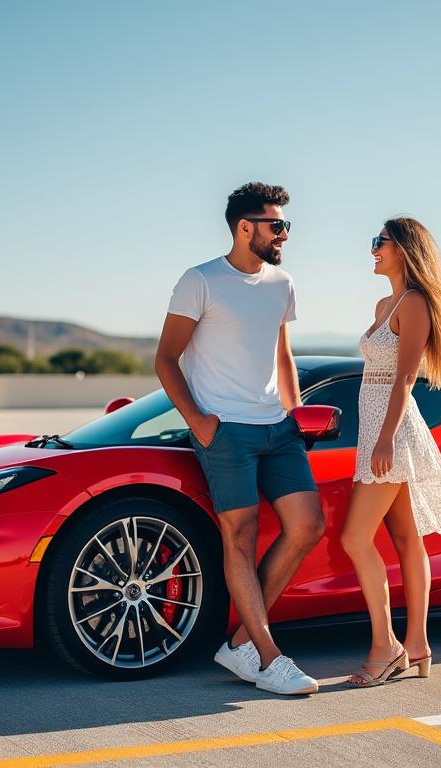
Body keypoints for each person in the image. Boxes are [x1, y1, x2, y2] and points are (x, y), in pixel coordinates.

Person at [154, 182, 325, 696]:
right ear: (244, 226)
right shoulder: (200, 281)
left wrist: (296, 413)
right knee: (241, 538)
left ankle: (240, 644)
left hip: (277, 428)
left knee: (307, 526)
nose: (284, 235)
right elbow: (166, 358)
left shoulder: (282, 283)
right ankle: (270, 657)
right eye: (277, 225)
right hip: (225, 430)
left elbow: (283, 355)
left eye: (286, 225)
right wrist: (200, 422)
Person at [340, 216, 441, 687]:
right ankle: (417, 643)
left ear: (402, 248)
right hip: (378, 433)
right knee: (405, 540)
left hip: (394, 433)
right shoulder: (385, 302)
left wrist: (384, 439)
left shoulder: (415, 302)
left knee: (354, 538)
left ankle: (386, 647)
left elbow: (404, 378)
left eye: (378, 242)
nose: (372, 250)